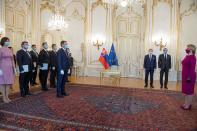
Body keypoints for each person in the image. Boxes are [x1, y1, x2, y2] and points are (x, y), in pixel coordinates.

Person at [181, 44, 196, 110]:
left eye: (187, 48)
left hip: (189, 77)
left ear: (191, 49)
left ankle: (188, 105)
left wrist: (189, 77)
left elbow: (192, 69)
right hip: (185, 76)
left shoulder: (193, 57)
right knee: (186, 91)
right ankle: (186, 103)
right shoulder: (187, 56)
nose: (186, 49)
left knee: (189, 91)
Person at [0, 37, 15, 103]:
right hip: (3, 68)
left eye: (9, 41)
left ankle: (7, 96)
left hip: (9, 69)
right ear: (3, 42)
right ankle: (4, 97)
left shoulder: (10, 50)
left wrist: (14, 68)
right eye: (7, 41)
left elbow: (12, 60)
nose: (8, 42)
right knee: (3, 83)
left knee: (8, 83)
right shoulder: (1, 50)